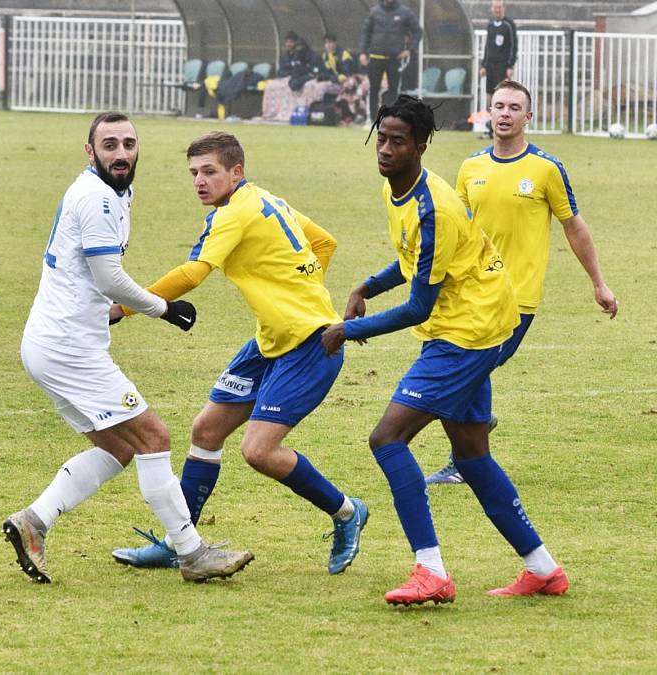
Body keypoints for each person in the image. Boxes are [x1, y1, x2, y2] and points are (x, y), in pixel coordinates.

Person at [322, 96, 570, 604]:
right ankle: (542, 568)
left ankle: (430, 570)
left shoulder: (433, 203)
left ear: (421, 145)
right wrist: (367, 286)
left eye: (398, 141)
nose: (386, 150)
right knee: (473, 455)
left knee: (387, 440)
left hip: (466, 332)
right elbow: (413, 257)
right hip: (471, 321)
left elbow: (418, 306)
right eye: (381, 138)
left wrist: (348, 331)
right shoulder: (403, 192)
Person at [3, 112, 254, 584]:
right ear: (90, 151)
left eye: (129, 144)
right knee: (153, 438)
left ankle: (34, 522)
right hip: (68, 348)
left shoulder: (114, 191)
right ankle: (192, 553)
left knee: (118, 447)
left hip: (53, 343)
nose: (121, 153)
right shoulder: (96, 197)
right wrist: (164, 308)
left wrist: (112, 313)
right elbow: (108, 277)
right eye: (110, 144)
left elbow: (91, 279)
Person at [111, 131, 369, 575]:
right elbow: (325, 243)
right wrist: (299, 289)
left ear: (236, 172)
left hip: (311, 344)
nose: (199, 181)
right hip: (272, 337)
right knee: (207, 429)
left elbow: (193, 274)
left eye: (209, 171)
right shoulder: (265, 199)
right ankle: (182, 542)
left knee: (259, 451)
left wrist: (123, 307)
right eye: (193, 173)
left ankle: (347, 512)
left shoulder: (231, 215)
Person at [425, 79, 618, 485]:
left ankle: (468, 451)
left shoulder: (546, 168)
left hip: (518, 297)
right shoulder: (471, 167)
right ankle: (474, 439)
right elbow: (457, 230)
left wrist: (599, 284)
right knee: (467, 370)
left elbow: (574, 227)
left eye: (514, 107)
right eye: (499, 106)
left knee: (468, 371)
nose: (505, 114)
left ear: (528, 117)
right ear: (489, 112)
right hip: (472, 292)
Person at [358, 0, 422, 122]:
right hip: (375, 58)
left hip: (394, 59)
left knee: (393, 90)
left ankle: (389, 120)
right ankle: (372, 119)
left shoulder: (405, 12)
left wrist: (410, 50)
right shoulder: (374, 12)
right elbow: (365, 33)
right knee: (374, 89)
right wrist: (362, 52)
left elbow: (418, 31)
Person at [481, 0, 518, 108]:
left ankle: (501, 119)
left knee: (502, 92)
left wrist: (510, 66)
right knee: (490, 92)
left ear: (503, 8)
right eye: (495, 7)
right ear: (492, 9)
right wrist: (484, 65)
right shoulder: (490, 25)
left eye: (499, 7)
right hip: (490, 65)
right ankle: (490, 120)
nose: (497, 10)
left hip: (503, 65)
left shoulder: (509, 24)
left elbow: (513, 46)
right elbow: (487, 46)